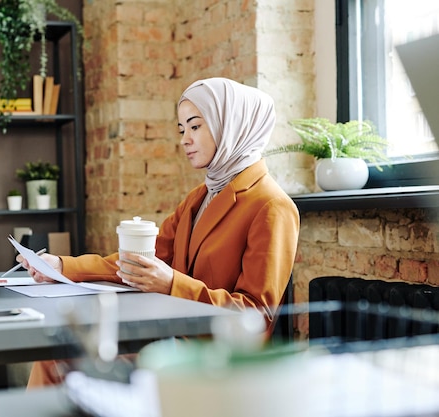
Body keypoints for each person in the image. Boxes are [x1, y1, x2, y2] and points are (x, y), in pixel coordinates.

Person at [18, 77, 300, 387]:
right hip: (170, 339)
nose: (185, 140)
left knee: (66, 357)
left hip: (216, 359)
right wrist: (63, 266)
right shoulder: (198, 199)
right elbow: (138, 261)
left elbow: (255, 316)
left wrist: (170, 283)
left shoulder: (271, 206)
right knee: (57, 354)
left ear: (231, 125)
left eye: (195, 127)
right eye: (182, 130)